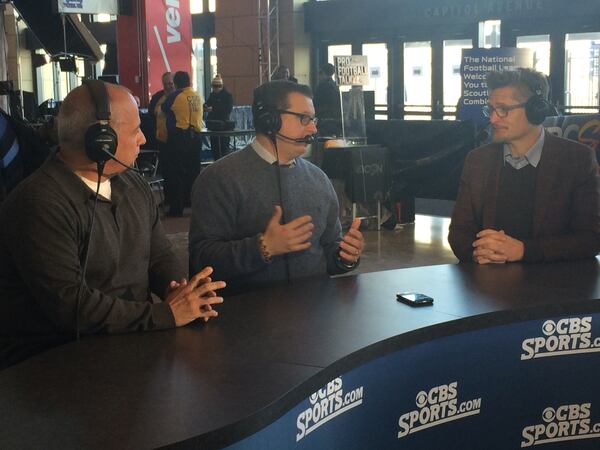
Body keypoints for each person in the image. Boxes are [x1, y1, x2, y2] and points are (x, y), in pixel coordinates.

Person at [0, 81, 225, 369]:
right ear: (101, 141)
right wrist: (166, 314)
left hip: (132, 342)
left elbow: (160, 255)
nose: (143, 139)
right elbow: (72, 306)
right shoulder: (38, 202)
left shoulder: (132, 184)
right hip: (55, 363)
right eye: (135, 131)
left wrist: (179, 291)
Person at [189, 80, 364, 293]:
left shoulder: (319, 179)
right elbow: (200, 261)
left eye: (313, 119)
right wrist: (264, 247)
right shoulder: (219, 178)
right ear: (269, 120)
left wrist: (345, 257)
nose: (313, 128)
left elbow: (329, 250)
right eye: (303, 118)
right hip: (244, 320)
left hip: (315, 316)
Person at [448, 68, 600, 264]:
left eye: (503, 109)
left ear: (536, 110)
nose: (493, 119)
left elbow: (591, 239)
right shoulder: (478, 160)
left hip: (556, 288)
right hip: (487, 287)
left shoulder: (576, 159)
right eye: (491, 109)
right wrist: (478, 252)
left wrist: (524, 251)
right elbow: (459, 233)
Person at [161, 71, 203, 216]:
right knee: (193, 173)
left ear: (177, 84)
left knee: (176, 173)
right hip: (196, 137)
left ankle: (176, 209)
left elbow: (164, 108)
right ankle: (192, 203)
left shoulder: (175, 96)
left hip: (179, 137)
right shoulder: (197, 96)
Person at [204, 73, 234, 160]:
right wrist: (205, 106)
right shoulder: (213, 94)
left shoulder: (227, 96)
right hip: (214, 126)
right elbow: (207, 103)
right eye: (213, 87)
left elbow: (228, 110)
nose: (215, 89)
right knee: (215, 148)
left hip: (223, 125)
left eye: (216, 87)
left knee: (223, 148)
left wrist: (213, 109)